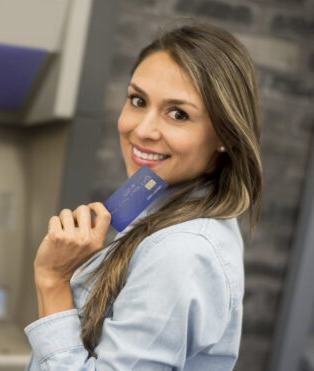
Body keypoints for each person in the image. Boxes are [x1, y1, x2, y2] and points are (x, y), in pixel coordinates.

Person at [25, 21, 262, 371]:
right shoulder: (163, 204)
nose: (142, 130)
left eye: (177, 114)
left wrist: (53, 281)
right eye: (138, 101)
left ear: (225, 134)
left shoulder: (181, 252)